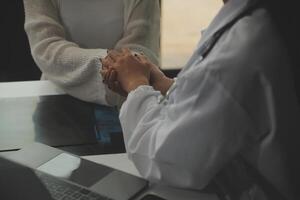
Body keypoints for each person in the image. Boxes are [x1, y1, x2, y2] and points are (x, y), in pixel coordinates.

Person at [101, 0, 300, 199]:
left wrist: (136, 84)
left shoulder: (244, 45)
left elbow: (164, 157)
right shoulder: (265, 20)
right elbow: (226, 103)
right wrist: (166, 87)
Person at [23, 0, 160, 106]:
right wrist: (112, 68)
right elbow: (46, 48)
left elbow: (143, 48)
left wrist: (112, 71)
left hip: (126, 100)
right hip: (57, 94)